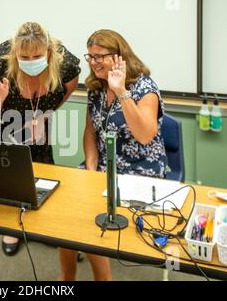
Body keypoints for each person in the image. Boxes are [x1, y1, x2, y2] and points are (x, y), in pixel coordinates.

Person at [58, 29, 168, 281]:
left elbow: (144, 135)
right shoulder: (95, 88)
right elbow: (90, 131)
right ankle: (66, 277)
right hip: (103, 168)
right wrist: (91, 167)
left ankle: (103, 279)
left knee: (91, 215)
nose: (94, 62)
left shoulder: (144, 87)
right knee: (65, 208)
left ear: (119, 56)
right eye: (91, 57)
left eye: (100, 56)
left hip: (140, 170)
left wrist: (120, 91)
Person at [0, 22, 81, 256]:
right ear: (15, 53)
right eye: (24, 56)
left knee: (42, 172)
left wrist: (43, 114)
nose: (31, 60)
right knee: (10, 178)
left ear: (49, 52)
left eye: (37, 55)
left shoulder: (66, 63)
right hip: (0, 123)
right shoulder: (0, 66)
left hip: (36, 122)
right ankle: (11, 227)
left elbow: (69, 87)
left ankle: (40, 224)